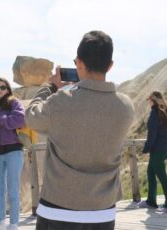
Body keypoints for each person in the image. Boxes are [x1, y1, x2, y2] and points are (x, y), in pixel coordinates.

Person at [25, 31, 135, 230]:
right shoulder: (126, 107)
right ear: (110, 65)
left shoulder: (61, 102)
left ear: (79, 63)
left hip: (58, 209)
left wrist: (50, 86)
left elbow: (31, 116)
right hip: (103, 211)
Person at [0, 77, 25, 230]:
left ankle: (14, 223)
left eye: (2, 87)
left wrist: (1, 121)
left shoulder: (14, 103)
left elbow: (20, 119)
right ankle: (1, 220)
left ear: (8, 89)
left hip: (13, 151)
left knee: (13, 188)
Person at [137, 91, 167, 213]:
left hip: (158, 149)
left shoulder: (155, 113)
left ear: (152, 100)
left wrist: (145, 150)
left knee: (162, 176)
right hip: (163, 149)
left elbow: (152, 134)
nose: (148, 102)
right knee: (150, 172)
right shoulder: (164, 112)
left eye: (148, 100)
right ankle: (151, 201)